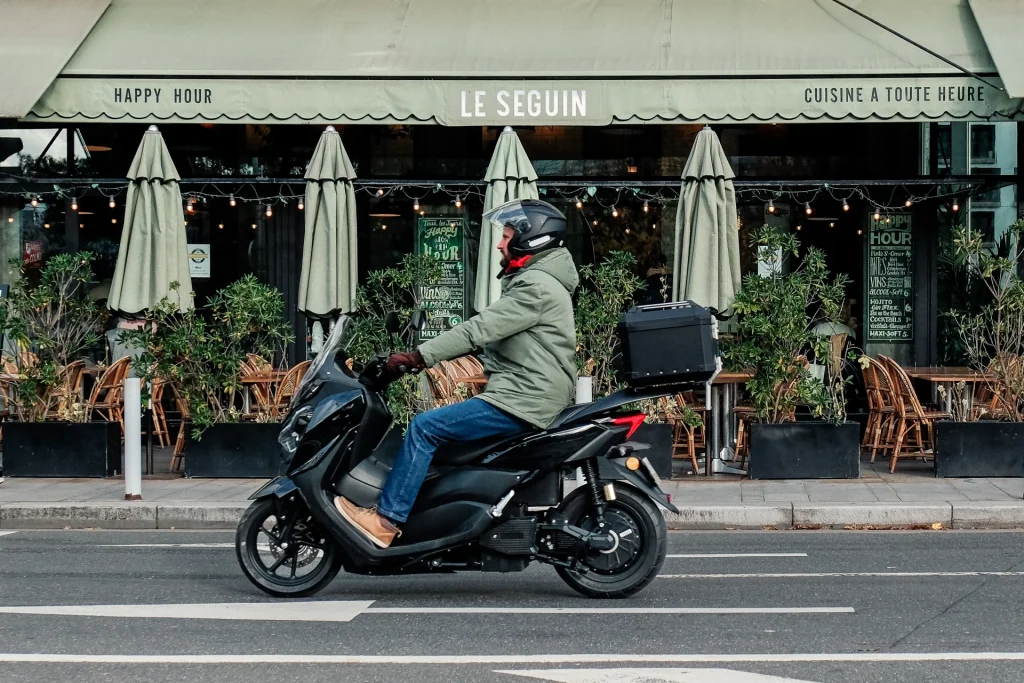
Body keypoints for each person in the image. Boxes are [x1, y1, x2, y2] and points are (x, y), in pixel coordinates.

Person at [335, 199, 580, 548]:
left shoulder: (535, 286)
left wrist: (418, 356)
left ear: (531, 240)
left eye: (506, 236)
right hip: (525, 392)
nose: (499, 244)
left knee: (424, 427)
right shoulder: (539, 281)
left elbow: (478, 329)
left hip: (524, 398)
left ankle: (386, 521)